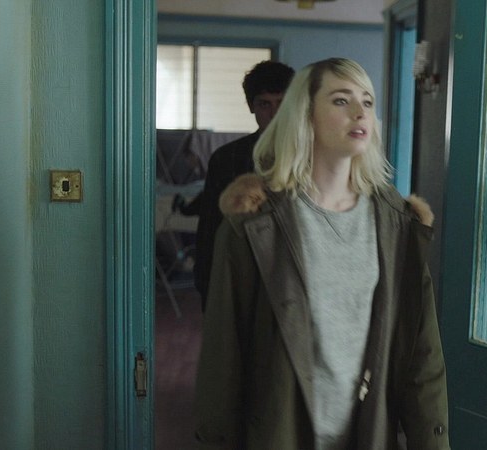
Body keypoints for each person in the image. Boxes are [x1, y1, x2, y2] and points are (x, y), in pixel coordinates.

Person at [193, 57, 450, 449]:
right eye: (341, 100)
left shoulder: (398, 222)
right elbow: (223, 357)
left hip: (368, 434)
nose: (360, 112)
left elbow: (422, 353)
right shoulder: (255, 224)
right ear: (305, 115)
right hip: (280, 434)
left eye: (367, 101)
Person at [187, 60, 295, 307]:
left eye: (282, 103)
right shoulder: (227, 158)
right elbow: (210, 227)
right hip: (241, 272)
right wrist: (206, 285)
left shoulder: (313, 157)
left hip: (293, 277)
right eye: (265, 104)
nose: (274, 113)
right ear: (251, 106)